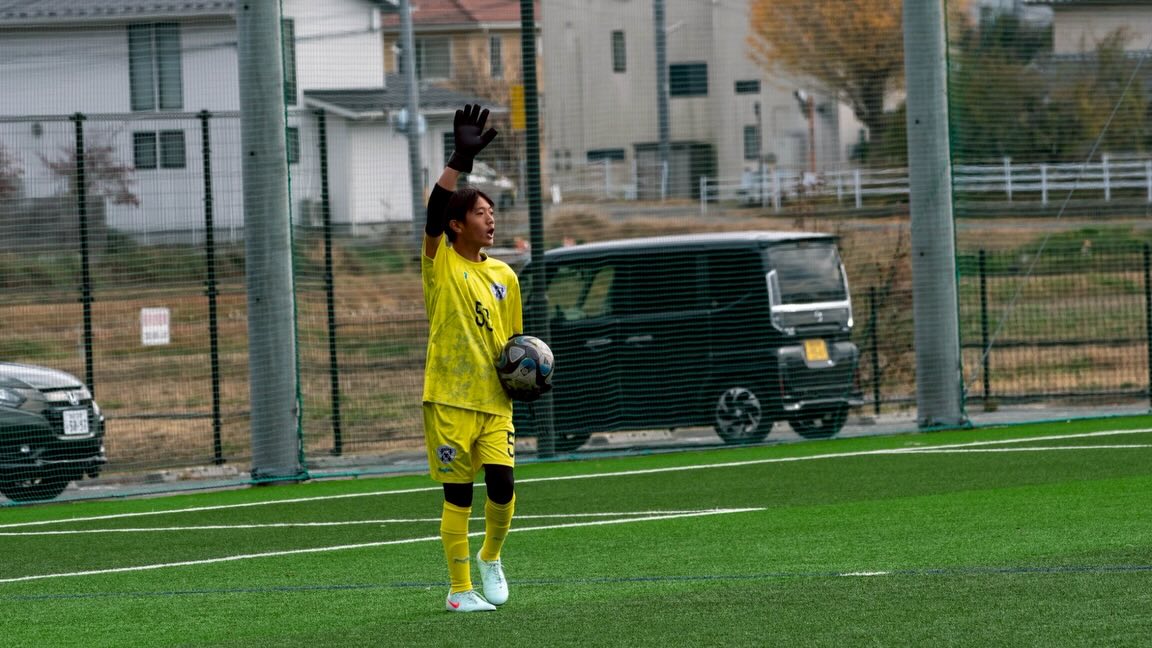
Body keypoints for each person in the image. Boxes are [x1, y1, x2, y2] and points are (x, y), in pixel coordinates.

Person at [421, 104, 521, 613]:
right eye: (481, 213)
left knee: (503, 486)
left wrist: (528, 374)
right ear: (458, 225)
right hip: (449, 398)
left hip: (493, 399)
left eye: (492, 212)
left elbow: (515, 343)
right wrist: (458, 159)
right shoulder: (439, 263)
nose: (491, 219)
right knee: (458, 497)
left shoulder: (506, 275)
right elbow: (432, 212)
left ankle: (491, 556)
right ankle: (459, 593)